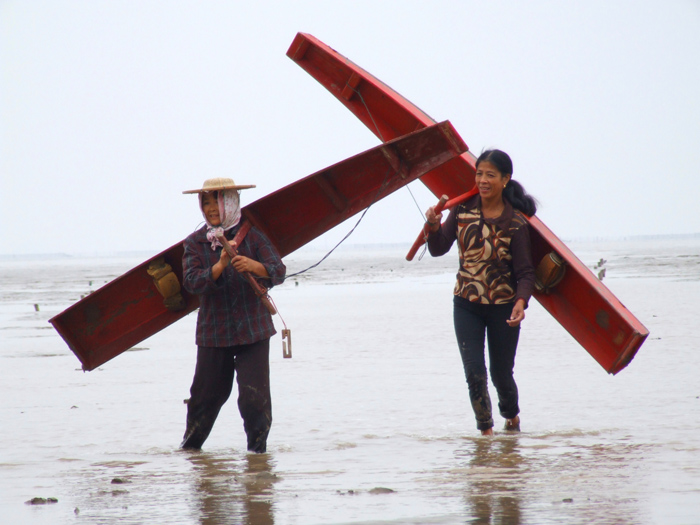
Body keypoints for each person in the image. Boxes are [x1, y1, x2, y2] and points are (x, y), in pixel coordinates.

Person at [425, 150, 536, 436]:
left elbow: (526, 273)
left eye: (490, 175)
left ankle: (511, 419)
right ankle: (485, 434)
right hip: (466, 304)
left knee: (501, 374)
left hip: (503, 307)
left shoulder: (516, 224)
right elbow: (438, 249)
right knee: (475, 372)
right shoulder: (462, 211)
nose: (483, 180)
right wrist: (433, 226)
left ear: (504, 179)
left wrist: (521, 303)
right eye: (479, 174)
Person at [180, 177, 286, 452]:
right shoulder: (195, 243)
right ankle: (190, 452)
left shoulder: (252, 235)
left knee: (255, 400)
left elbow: (278, 270)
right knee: (204, 399)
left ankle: (257, 457)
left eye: (216, 200)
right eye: (206, 201)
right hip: (214, 333)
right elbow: (192, 282)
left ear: (231, 202)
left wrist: (254, 265)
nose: (211, 207)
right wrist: (220, 266)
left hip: (254, 330)